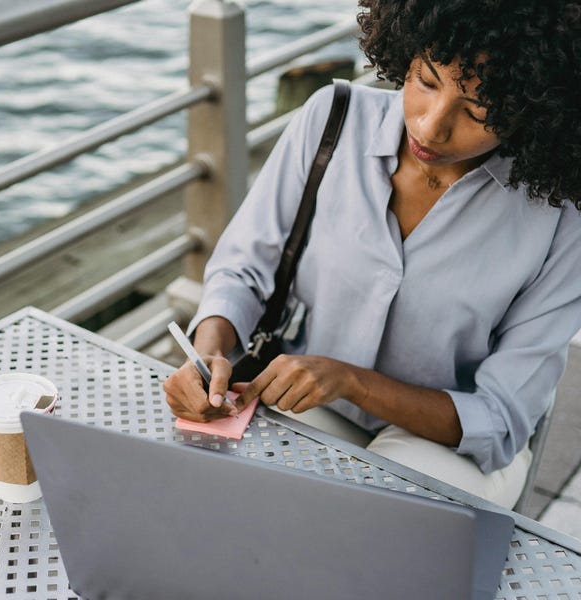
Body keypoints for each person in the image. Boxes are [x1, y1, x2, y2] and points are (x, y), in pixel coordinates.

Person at [163, 0, 581, 509]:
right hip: (305, 406)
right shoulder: (331, 121)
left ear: (534, 110)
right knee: (218, 498)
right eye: (425, 81)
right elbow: (244, 268)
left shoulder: (560, 220)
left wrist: (353, 382)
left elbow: (498, 420)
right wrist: (210, 353)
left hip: (452, 447)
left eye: (478, 112)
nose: (430, 127)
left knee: (378, 524)